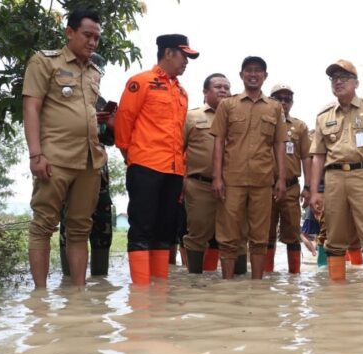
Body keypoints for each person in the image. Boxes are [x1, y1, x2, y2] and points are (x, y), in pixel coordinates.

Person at [22, 9, 106, 288]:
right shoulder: (44, 62)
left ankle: (78, 294)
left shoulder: (95, 72)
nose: (93, 42)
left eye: (96, 37)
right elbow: (31, 107)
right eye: (87, 35)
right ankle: (40, 296)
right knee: (44, 225)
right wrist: (36, 154)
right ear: (69, 32)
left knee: (80, 228)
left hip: (89, 162)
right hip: (54, 158)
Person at [114, 34, 199, 284]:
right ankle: (140, 292)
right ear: (169, 53)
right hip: (145, 167)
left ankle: (159, 289)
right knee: (142, 228)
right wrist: (133, 159)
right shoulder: (140, 82)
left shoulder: (182, 93)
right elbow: (123, 125)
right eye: (184, 56)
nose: (186, 62)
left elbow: (180, 135)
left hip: (173, 171)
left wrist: (181, 170)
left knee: (165, 231)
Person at [309, 59, 363, 283]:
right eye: (334, 79)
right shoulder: (324, 115)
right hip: (334, 178)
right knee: (334, 237)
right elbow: (317, 156)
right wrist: (314, 190)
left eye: (344, 78)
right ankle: (337, 297)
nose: (338, 82)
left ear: (356, 83)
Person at [211, 56, 287, 280]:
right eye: (249, 71)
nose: (253, 74)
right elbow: (218, 142)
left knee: (260, 235)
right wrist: (217, 177)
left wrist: (281, 179)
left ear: (265, 76)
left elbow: (279, 144)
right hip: (231, 179)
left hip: (262, 181)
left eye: (258, 71)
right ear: (241, 75)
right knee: (227, 234)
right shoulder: (227, 105)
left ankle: (257, 285)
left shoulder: (274, 108)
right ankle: (227, 282)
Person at [59, 53, 115, 278]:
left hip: (98, 170)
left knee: (103, 223)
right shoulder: (65, 97)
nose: (95, 75)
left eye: (99, 72)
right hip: (71, 165)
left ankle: (100, 283)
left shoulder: (101, 101)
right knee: (70, 221)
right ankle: (69, 279)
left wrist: (110, 124)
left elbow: (111, 140)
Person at [182, 73, 231, 273]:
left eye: (226, 88)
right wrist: (181, 182)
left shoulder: (237, 117)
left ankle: (237, 287)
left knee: (235, 235)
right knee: (197, 234)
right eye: (218, 86)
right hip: (199, 185)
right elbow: (177, 150)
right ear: (205, 92)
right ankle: (194, 280)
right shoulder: (191, 117)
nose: (223, 90)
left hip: (232, 187)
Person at [264, 84, 311, 274]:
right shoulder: (263, 123)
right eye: (278, 98)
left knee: (292, 234)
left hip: (291, 188)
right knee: (265, 234)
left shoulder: (299, 126)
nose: (283, 102)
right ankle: (265, 277)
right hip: (265, 187)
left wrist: (308, 187)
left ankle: (294, 278)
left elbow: (307, 157)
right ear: (270, 100)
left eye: (287, 99)